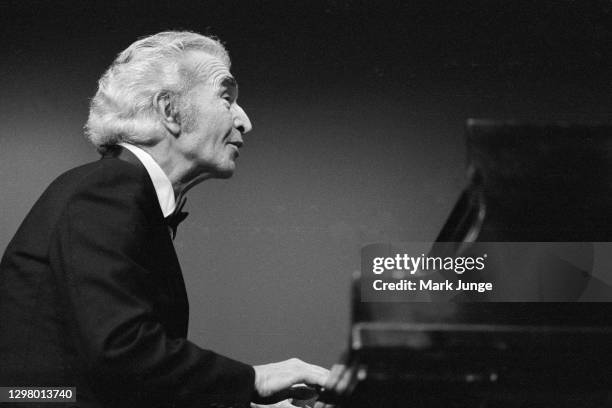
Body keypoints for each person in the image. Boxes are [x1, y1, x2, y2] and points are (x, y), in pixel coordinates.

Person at [0, 31, 329, 408]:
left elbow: (119, 381)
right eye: (226, 97)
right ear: (170, 111)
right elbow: (120, 352)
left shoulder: (117, 191)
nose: (245, 121)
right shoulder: (109, 188)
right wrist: (256, 379)